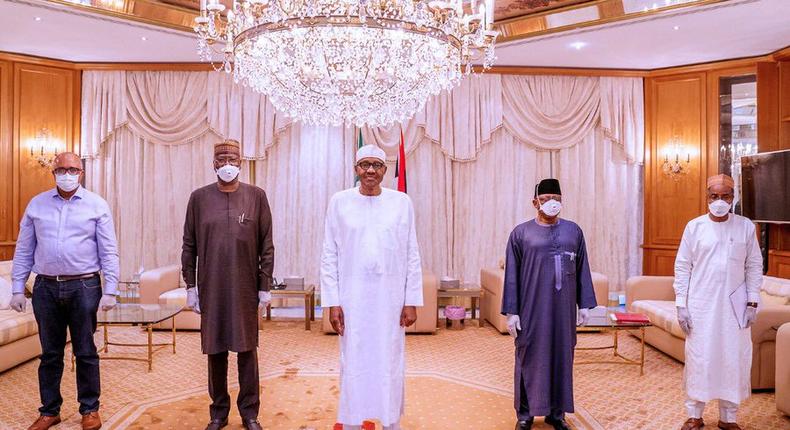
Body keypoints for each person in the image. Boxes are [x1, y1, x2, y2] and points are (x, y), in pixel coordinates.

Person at [10, 152, 120, 430]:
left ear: (81, 173)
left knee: (85, 351)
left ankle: (90, 409)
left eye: (73, 169)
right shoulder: (37, 205)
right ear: (53, 172)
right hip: (45, 287)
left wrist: (111, 289)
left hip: (84, 285)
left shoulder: (96, 205)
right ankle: (49, 411)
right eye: (62, 169)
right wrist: (16, 288)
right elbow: (24, 248)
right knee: (50, 353)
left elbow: (108, 250)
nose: (68, 174)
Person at [320, 144, 422, 430]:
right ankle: (352, 420)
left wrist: (410, 299)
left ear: (385, 171)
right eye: (364, 165)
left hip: (390, 300)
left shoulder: (402, 202)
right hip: (352, 298)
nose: (370, 170)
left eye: (376, 165)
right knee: (353, 359)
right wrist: (332, 302)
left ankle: (390, 420)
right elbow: (329, 254)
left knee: (389, 359)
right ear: (355, 170)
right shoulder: (339, 201)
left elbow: (411, 252)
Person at [181, 139, 274, 430]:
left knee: (247, 351)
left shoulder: (256, 196)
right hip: (212, 286)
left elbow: (266, 245)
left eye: (232, 158)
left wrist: (264, 285)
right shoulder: (198, 198)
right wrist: (190, 286)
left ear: (241, 162)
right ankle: (218, 413)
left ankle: (249, 413)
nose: (227, 164)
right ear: (213, 163)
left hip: (246, 286)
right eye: (221, 159)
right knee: (216, 350)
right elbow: (189, 244)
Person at [501, 178, 597, 430]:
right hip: (531, 309)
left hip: (563, 310)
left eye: (556, 199)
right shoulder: (520, 233)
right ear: (535, 202)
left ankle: (557, 413)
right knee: (528, 356)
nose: (552, 203)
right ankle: (525, 414)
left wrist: (584, 304)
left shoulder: (573, 231)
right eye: (546, 199)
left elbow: (582, 267)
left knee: (561, 357)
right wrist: (512, 311)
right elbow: (511, 273)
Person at [674, 174, 762, 430]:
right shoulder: (695, 227)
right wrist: (681, 304)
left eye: (725, 196)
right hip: (701, 305)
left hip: (735, 308)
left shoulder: (745, 227)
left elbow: (754, 265)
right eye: (714, 196)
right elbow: (682, 266)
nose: (720, 201)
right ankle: (694, 414)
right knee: (700, 357)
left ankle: (729, 417)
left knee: (732, 359)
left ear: (733, 198)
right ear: (706, 198)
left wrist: (753, 301)